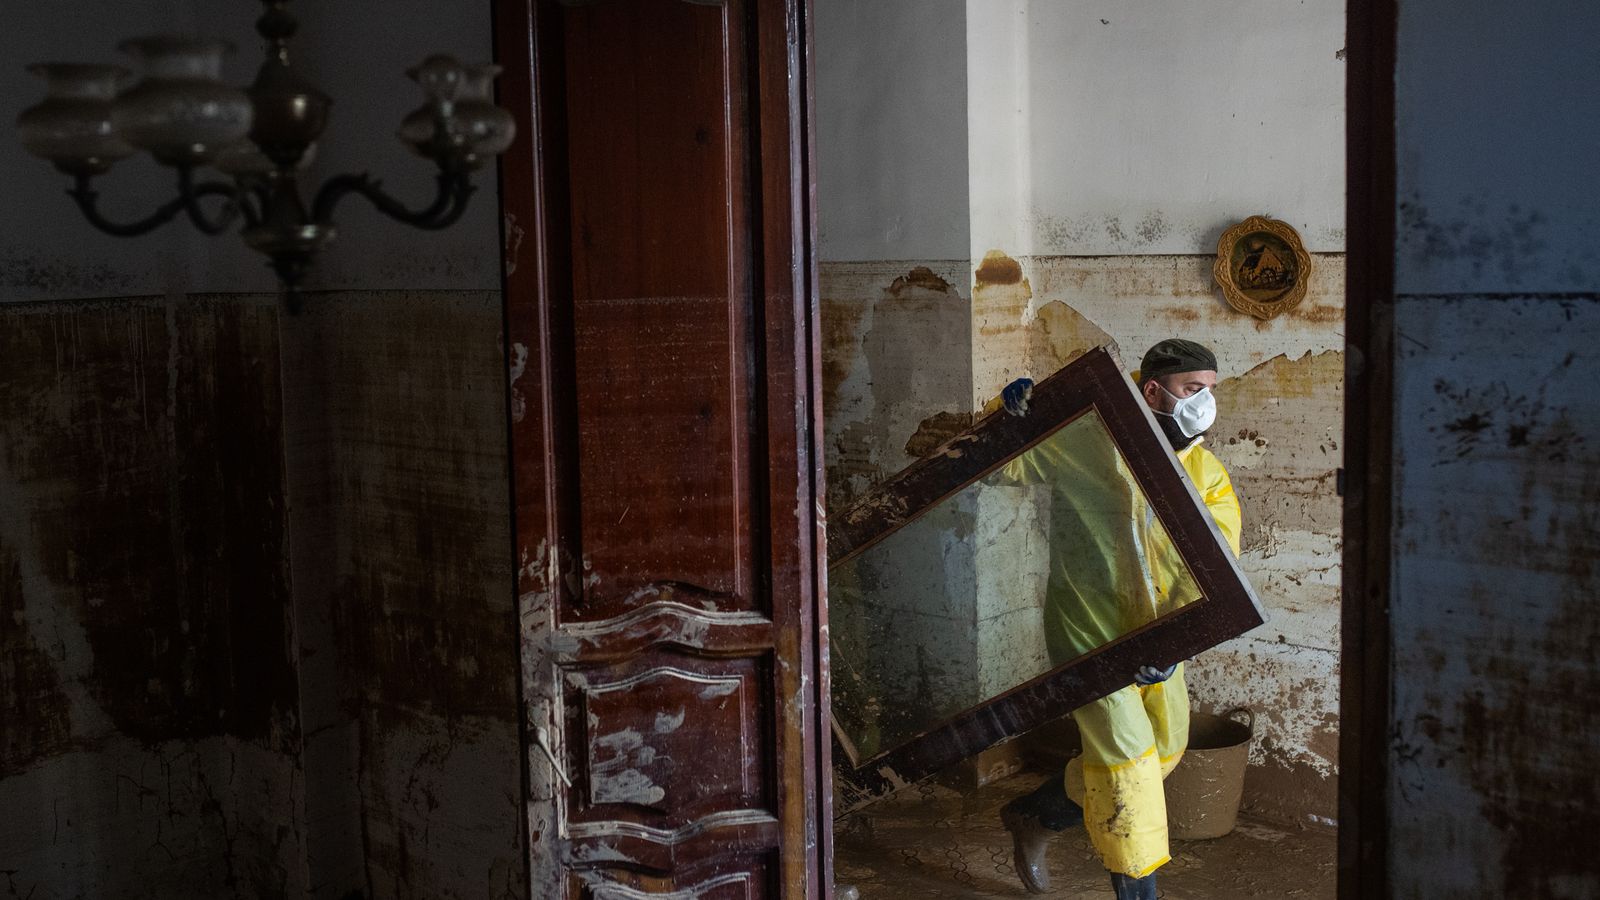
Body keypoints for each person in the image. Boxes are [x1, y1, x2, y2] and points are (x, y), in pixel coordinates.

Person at [994, 339, 1242, 900]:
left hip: (1160, 638)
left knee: (1165, 751)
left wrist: (1180, 642)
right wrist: (1011, 416)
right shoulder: (1083, 440)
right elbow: (1005, 468)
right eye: (1192, 390)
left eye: (1210, 391)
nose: (1204, 403)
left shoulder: (1205, 472)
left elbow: (1214, 563)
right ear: (1153, 390)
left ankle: (1035, 816)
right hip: (1090, 630)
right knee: (1129, 766)